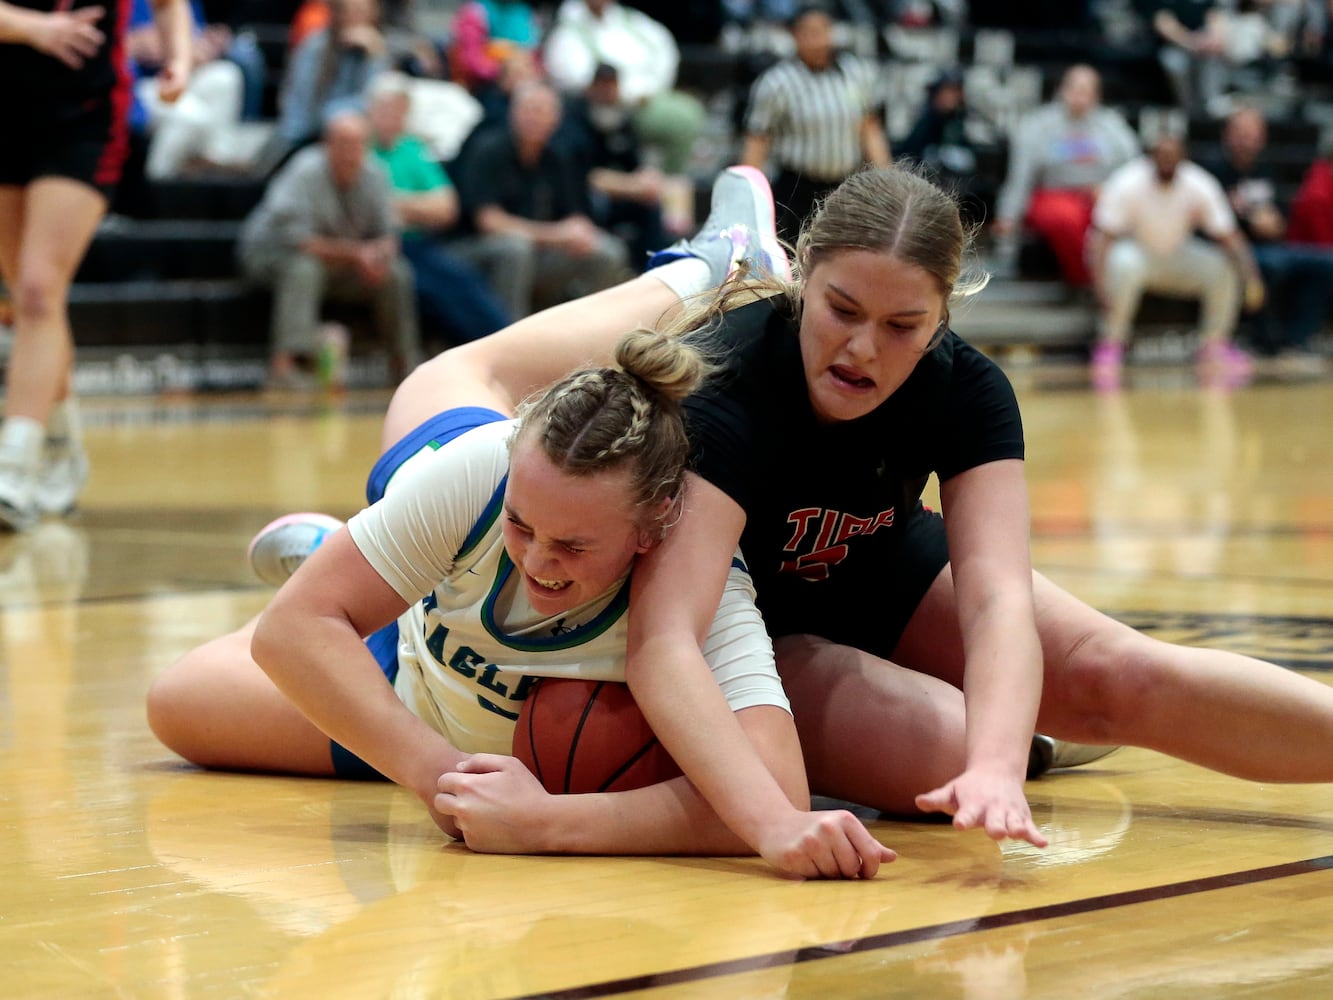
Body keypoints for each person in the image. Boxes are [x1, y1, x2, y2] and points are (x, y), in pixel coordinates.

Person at [395, 162, 1333, 878]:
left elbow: (998, 598)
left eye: (902, 327)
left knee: (1109, 676)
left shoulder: (966, 389)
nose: (861, 348)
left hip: (870, 565)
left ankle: (1040, 730)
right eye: (840, 309)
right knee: (445, 390)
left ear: (944, 313)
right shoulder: (728, 386)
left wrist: (1001, 768)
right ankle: (709, 271)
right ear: (801, 276)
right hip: (758, 627)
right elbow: (668, 640)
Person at [146, 322, 895, 877]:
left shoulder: (698, 584)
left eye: (572, 547)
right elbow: (291, 633)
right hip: (412, 653)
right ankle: (698, 266)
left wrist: (552, 823)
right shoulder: (486, 471)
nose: (538, 558)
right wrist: (436, 773)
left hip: (442, 630)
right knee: (175, 704)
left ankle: (347, 559)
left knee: (197, 692)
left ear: (650, 527)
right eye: (522, 525)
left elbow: (775, 797)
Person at [0, 0, 191, 531]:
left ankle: (13, 465)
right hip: (8, 107)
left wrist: (180, 56)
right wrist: (32, 27)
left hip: (84, 117)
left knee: (39, 288)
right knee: (30, 294)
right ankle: (61, 443)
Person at [237, 108, 421, 387]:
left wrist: (379, 255)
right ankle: (284, 365)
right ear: (328, 145)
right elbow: (301, 242)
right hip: (270, 254)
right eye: (344, 145)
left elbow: (389, 235)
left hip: (339, 262)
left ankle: (404, 364)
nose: (351, 153)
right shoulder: (304, 171)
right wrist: (359, 254)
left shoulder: (375, 174)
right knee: (303, 268)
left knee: (396, 272)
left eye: (358, 145)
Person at [1088, 131, 1263, 389]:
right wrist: (1099, 283)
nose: (1167, 162)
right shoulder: (1127, 181)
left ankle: (1214, 345)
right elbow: (1103, 237)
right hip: (1138, 253)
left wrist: (1251, 277)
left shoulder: (1199, 183)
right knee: (1122, 264)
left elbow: (1229, 236)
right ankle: (1111, 344)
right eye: (1162, 156)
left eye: (1173, 157)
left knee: (1222, 268)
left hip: (1179, 255)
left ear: (1183, 159)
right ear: (1151, 157)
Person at [453, 79, 631, 314]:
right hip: (474, 250)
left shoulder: (557, 157)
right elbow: (489, 222)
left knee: (607, 250)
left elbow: (575, 216)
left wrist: (580, 231)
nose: (533, 117)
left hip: (539, 251)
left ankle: (588, 335)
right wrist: (556, 235)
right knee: (515, 249)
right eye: (527, 109)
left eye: (541, 111)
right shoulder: (488, 150)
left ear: (555, 119)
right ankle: (507, 337)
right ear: (513, 113)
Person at [366, 72, 513, 346]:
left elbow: (446, 207)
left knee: (465, 281)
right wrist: (415, 205)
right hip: (380, 245)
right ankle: (486, 349)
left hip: (420, 243)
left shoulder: (412, 149)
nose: (394, 117)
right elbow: (368, 209)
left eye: (401, 111)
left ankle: (504, 343)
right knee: (435, 292)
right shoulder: (360, 148)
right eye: (387, 109)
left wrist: (397, 204)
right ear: (371, 110)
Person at [739, 2, 891, 245]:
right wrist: (747, 192)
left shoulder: (856, 73)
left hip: (845, 186)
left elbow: (870, 128)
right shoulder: (777, 82)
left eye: (822, 31)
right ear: (794, 36)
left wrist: (886, 178)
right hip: (796, 188)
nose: (817, 39)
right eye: (808, 32)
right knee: (795, 259)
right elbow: (758, 139)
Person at [1201, 105, 1333, 374]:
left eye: (1253, 133)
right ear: (1227, 135)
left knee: (1325, 262)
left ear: (1263, 138)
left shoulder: (1269, 170)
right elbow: (1207, 224)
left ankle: (1297, 340)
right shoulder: (1210, 173)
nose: (1247, 139)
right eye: (1241, 133)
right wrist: (1247, 220)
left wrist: (1275, 223)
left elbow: (1283, 217)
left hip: (1273, 246)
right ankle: (1263, 341)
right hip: (1229, 250)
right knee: (1267, 266)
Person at [990, 64, 1139, 289]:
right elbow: (1020, 177)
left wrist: (1110, 190)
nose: (1079, 97)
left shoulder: (1113, 127)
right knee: (1066, 219)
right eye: (1074, 89)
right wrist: (1008, 216)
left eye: (1086, 91)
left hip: (1099, 194)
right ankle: (1090, 282)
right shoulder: (1037, 125)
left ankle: (1111, 282)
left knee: (1113, 218)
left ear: (1096, 96)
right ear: (1062, 90)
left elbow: (1134, 170)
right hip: (1052, 194)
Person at [542, 0, 706, 176]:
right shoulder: (567, 29)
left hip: (647, 97)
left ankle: (667, 182)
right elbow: (576, 77)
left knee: (690, 111)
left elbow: (664, 51)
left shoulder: (630, 19)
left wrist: (647, 89)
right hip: (598, 109)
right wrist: (623, 94)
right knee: (682, 120)